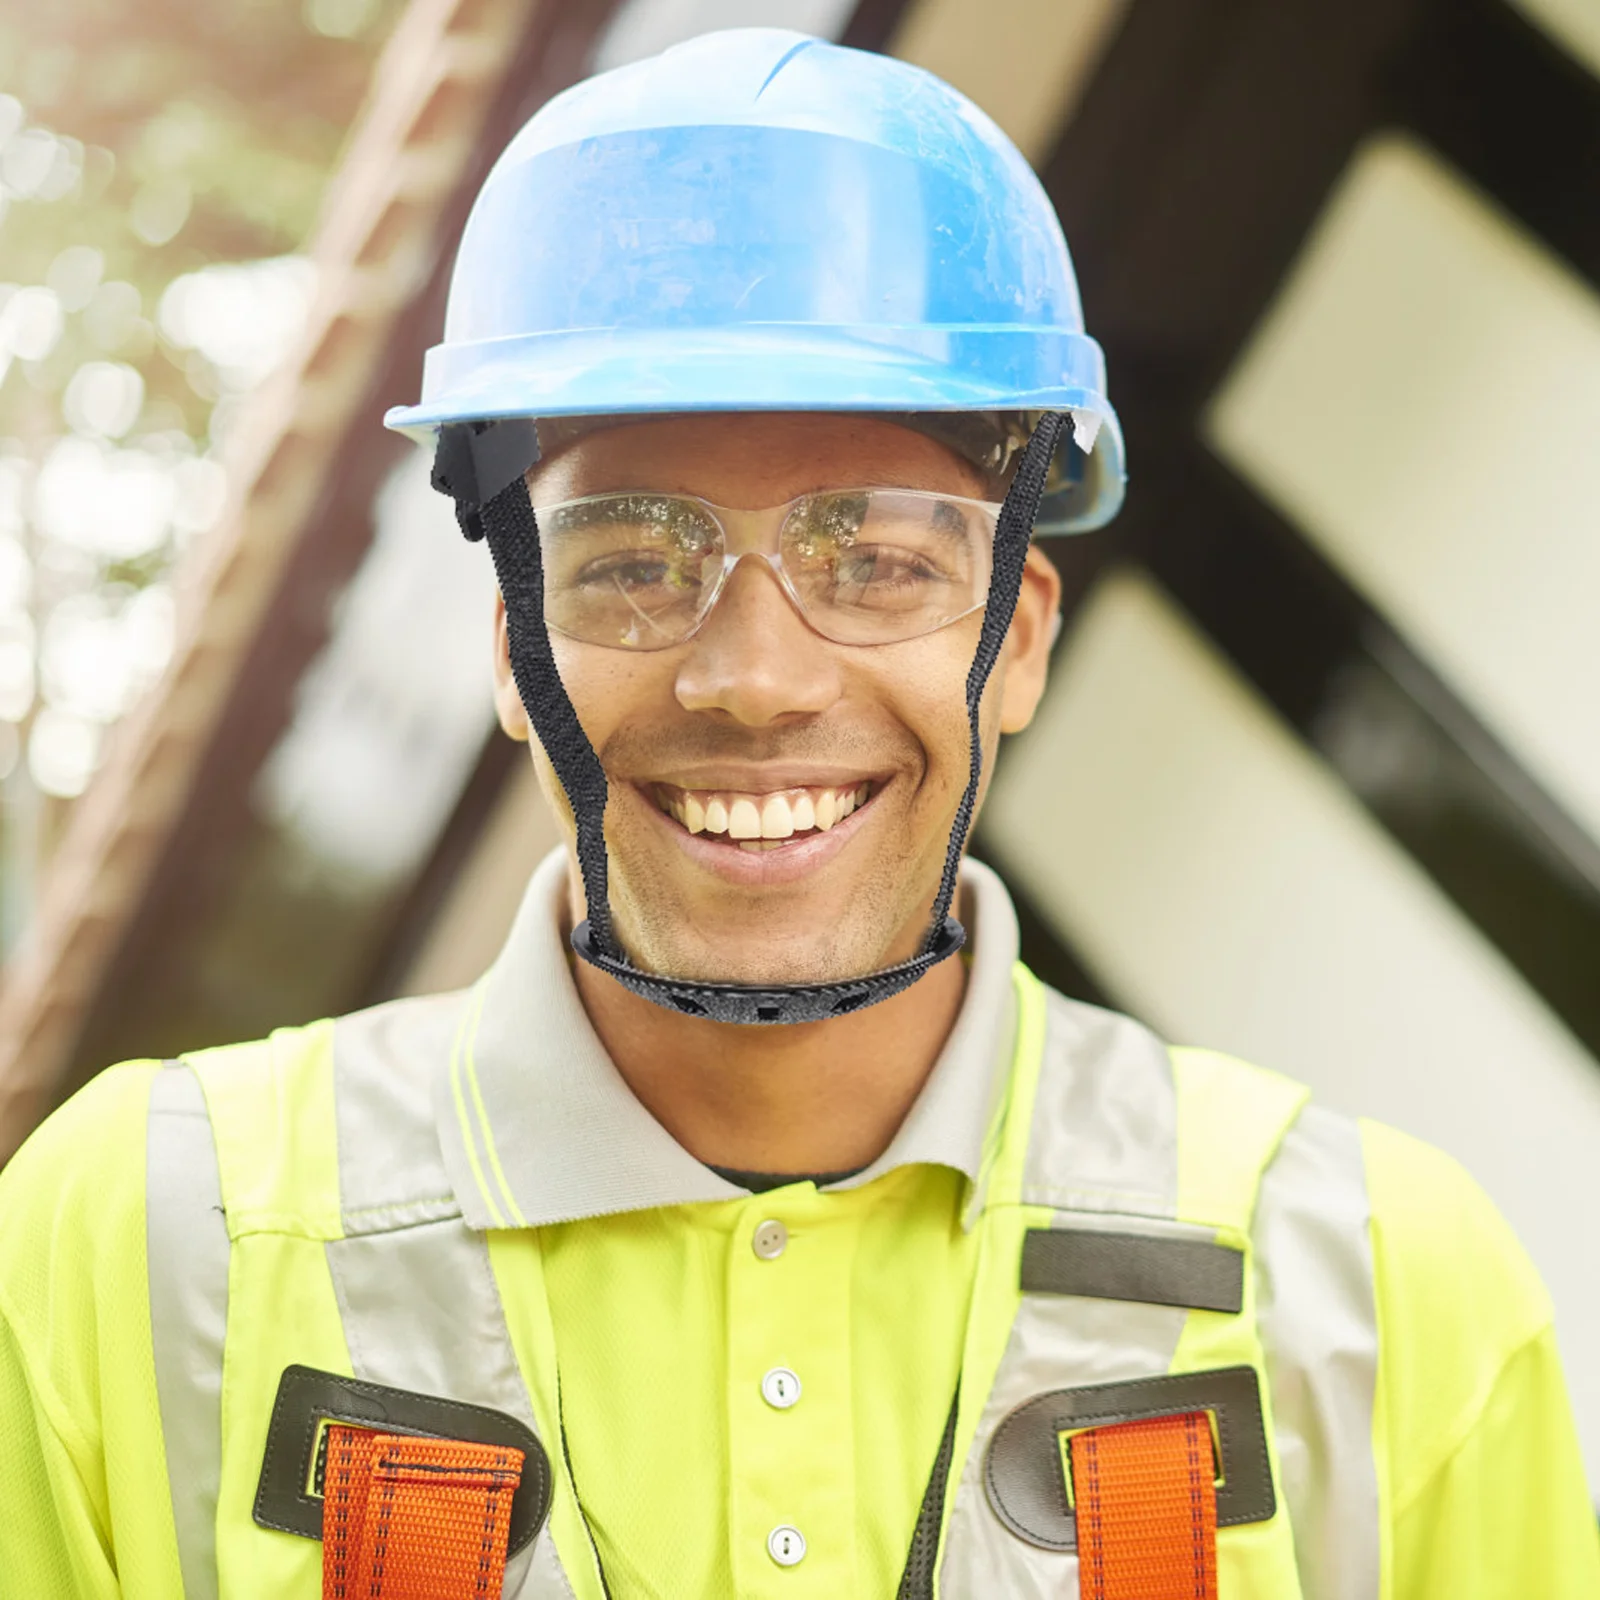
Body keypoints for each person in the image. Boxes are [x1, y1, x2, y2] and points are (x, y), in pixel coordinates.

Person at [1, 27, 1595, 1600]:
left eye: (880, 559)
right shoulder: (149, 1248)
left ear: (1019, 636)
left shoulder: (1368, 1283)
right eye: (634, 562)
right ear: (513, 648)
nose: (755, 680)